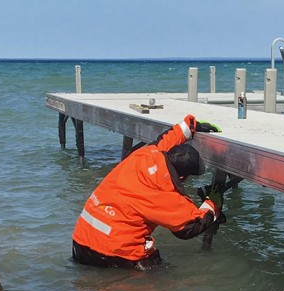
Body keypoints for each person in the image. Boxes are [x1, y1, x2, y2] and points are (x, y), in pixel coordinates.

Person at [72, 113, 222, 269]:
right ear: (183, 177)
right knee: (163, 278)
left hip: (81, 240)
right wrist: (213, 204)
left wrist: (190, 125)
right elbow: (189, 226)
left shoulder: (147, 154)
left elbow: (165, 139)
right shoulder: (166, 192)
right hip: (114, 252)